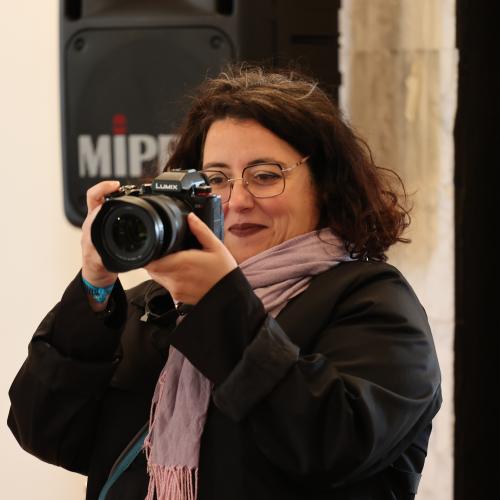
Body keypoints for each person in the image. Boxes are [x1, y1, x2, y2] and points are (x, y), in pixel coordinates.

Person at [8, 65, 441, 500]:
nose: (237, 200)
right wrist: (96, 287)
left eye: (265, 175)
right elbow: (45, 433)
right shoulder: (157, 306)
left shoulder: (374, 304)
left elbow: (333, 447)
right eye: (215, 179)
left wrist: (218, 304)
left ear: (326, 185)